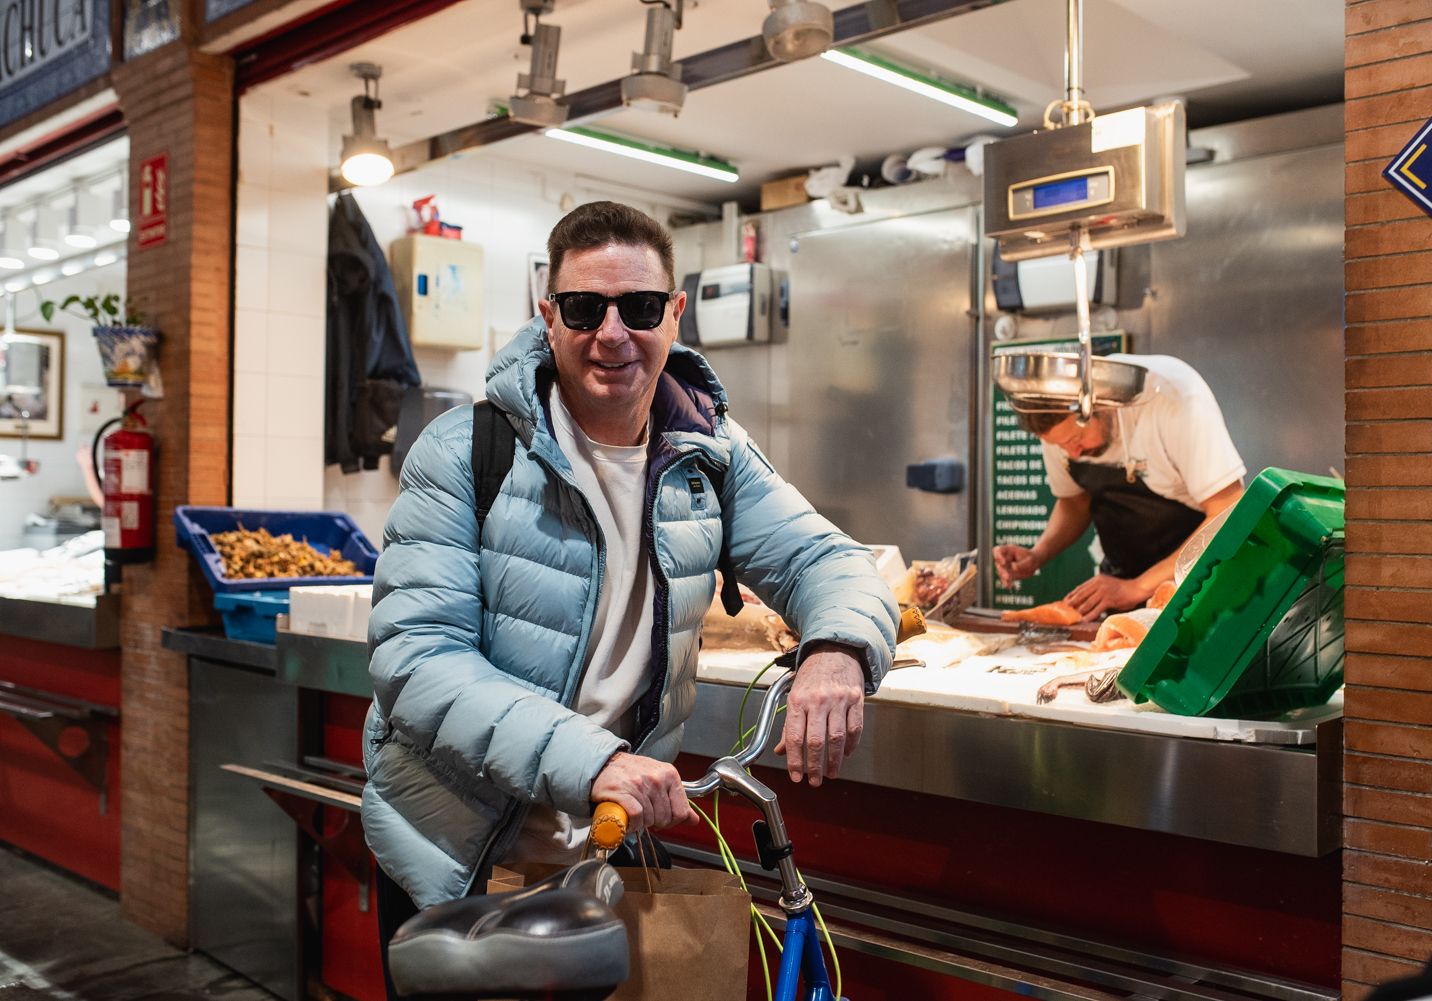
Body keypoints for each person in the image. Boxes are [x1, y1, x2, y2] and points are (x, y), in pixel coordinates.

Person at [363, 201, 898, 997]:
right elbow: (416, 660)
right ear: (548, 315)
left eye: (640, 307)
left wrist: (837, 648)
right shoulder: (466, 450)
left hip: (602, 856)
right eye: (585, 308)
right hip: (457, 858)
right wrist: (595, 760)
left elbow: (828, 559)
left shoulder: (706, 451)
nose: (612, 333)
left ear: (675, 314)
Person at [993, 354, 1246, 619]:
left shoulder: (1173, 399)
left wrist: (1138, 587)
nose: (1072, 453)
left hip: (1199, 585)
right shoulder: (1057, 427)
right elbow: (1075, 501)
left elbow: (1228, 510)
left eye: (1077, 439)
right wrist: (1038, 554)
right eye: (1059, 446)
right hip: (1122, 582)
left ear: (1101, 405)